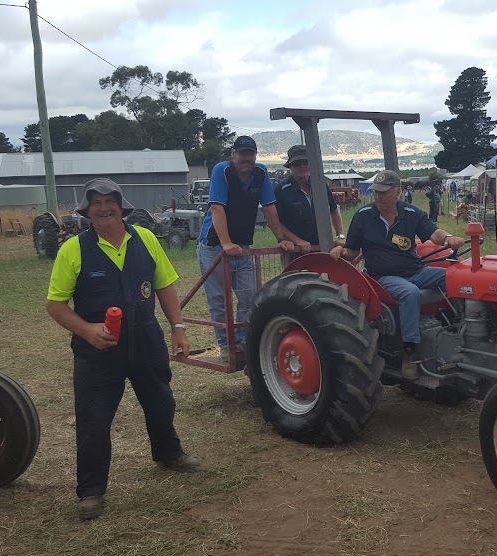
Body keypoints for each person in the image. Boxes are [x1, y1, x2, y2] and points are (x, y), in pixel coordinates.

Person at [45, 178, 198, 521]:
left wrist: (178, 327)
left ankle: (169, 455)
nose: (103, 208)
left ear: (120, 205)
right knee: (93, 421)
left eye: (109, 201)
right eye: (95, 203)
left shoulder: (144, 238)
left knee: (161, 402)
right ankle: (91, 491)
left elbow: (165, 285)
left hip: (145, 338)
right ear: (87, 211)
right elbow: (55, 305)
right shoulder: (74, 249)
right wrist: (86, 330)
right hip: (98, 350)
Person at [329, 170, 465, 380]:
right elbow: (353, 250)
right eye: (376, 192)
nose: (378, 197)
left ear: (398, 193)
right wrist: (342, 252)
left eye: (383, 193)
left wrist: (448, 237)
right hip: (382, 277)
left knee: (457, 278)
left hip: (415, 271)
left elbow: (433, 233)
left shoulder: (411, 213)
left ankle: (460, 331)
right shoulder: (363, 216)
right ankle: (409, 352)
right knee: (410, 293)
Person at [197, 136, 294, 359]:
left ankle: (242, 342)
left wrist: (280, 237)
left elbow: (269, 207)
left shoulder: (260, 173)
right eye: (242, 154)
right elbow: (216, 209)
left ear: (255, 156)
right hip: (213, 244)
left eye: (250, 154)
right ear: (233, 155)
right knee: (219, 298)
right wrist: (226, 243)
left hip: (242, 245)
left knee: (250, 294)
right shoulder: (222, 172)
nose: (246, 159)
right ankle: (226, 346)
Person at [273, 144, 345, 261]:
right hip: (294, 252)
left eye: (305, 162)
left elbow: (334, 210)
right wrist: (298, 241)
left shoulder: (321, 185)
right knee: (297, 279)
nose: (302, 166)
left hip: (323, 248)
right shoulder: (281, 190)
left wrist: (340, 235)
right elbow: (277, 223)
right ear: (290, 166)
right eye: (297, 163)